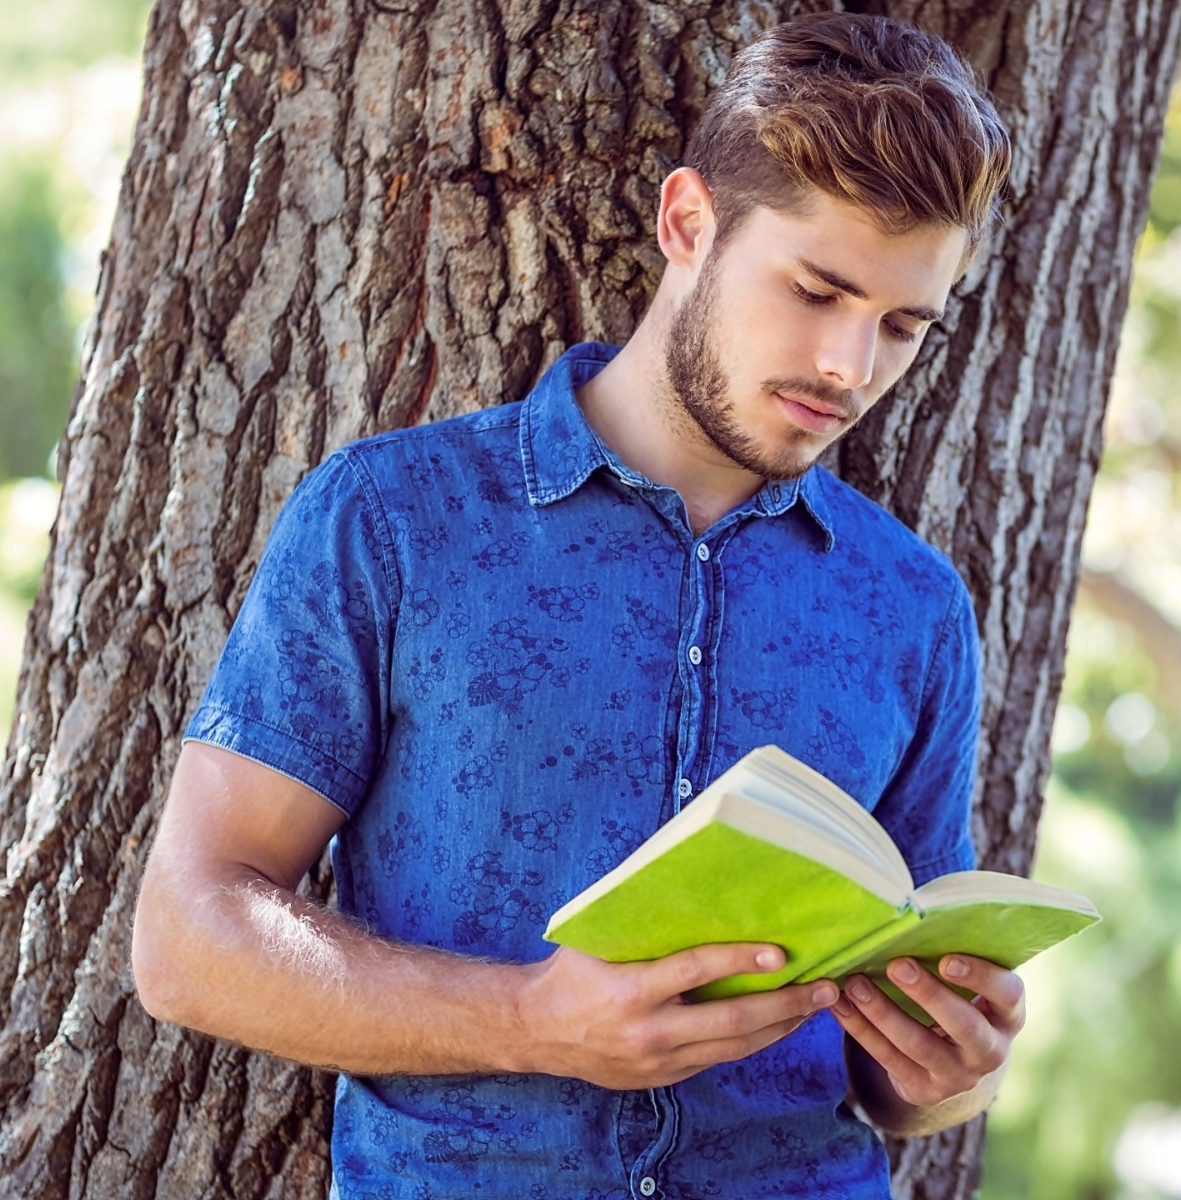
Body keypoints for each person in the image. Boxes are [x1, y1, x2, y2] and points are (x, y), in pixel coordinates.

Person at [130, 13, 1021, 1197]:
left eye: (901, 326)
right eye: (816, 291)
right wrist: (528, 1021)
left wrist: (951, 1065)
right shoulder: (396, 520)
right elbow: (189, 936)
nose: (850, 367)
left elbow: (899, 1086)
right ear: (688, 224)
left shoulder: (914, 608)